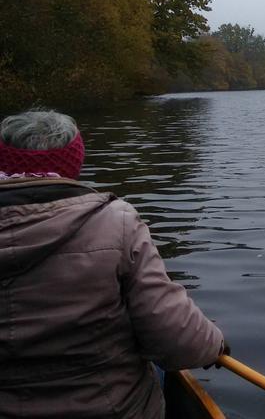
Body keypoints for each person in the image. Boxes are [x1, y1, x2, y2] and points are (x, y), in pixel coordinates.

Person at [0, 109, 227, 418]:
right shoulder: (116, 222)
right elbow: (176, 338)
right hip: (113, 410)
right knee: (156, 364)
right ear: (73, 162)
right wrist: (213, 344)